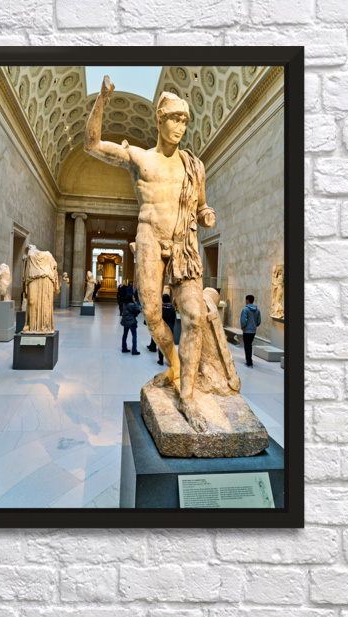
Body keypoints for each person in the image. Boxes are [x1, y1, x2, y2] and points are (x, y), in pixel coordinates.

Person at [85, 76, 217, 432]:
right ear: (160, 119)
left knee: (194, 317)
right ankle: (174, 364)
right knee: (154, 316)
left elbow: (201, 206)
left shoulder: (193, 166)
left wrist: (205, 215)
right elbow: (92, 144)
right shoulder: (141, 159)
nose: (180, 126)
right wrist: (102, 100)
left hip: (183, 245)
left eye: (185, 120)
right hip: (148, 238)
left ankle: (187, 396)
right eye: (174, 118)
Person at [240, 294, 261, 367]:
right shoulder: (257, 310)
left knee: (247, 346)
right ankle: (249, 361)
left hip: (246, 331)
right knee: (250, 345)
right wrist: (254, 326)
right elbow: (259, 321)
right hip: (253, 331)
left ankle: (249, 362)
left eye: (246, 300)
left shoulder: (245, 309)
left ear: (247, 300)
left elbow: (243, 321)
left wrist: (243, 327)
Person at [156, 294, 176, 366]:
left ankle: (161, 360)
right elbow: (174, 319)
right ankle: (170, 360)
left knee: (161, 344)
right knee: (169, 345)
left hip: (162, 328)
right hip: (170, 327)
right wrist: (172, 326)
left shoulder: (161, 308)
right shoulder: (172, 308)